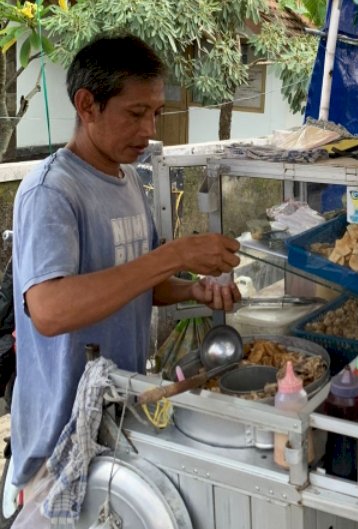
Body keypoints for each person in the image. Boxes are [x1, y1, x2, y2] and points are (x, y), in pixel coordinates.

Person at [10, 33, 242, 525]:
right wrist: (175, 253)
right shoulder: (52, 191)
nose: (149, 129)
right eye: (136, 113)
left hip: (117, 420)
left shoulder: (127, 178)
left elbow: (141, 283)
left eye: (155, 112)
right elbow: (49, 311)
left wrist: (189, 288)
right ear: (86, 105)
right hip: (59, 439)